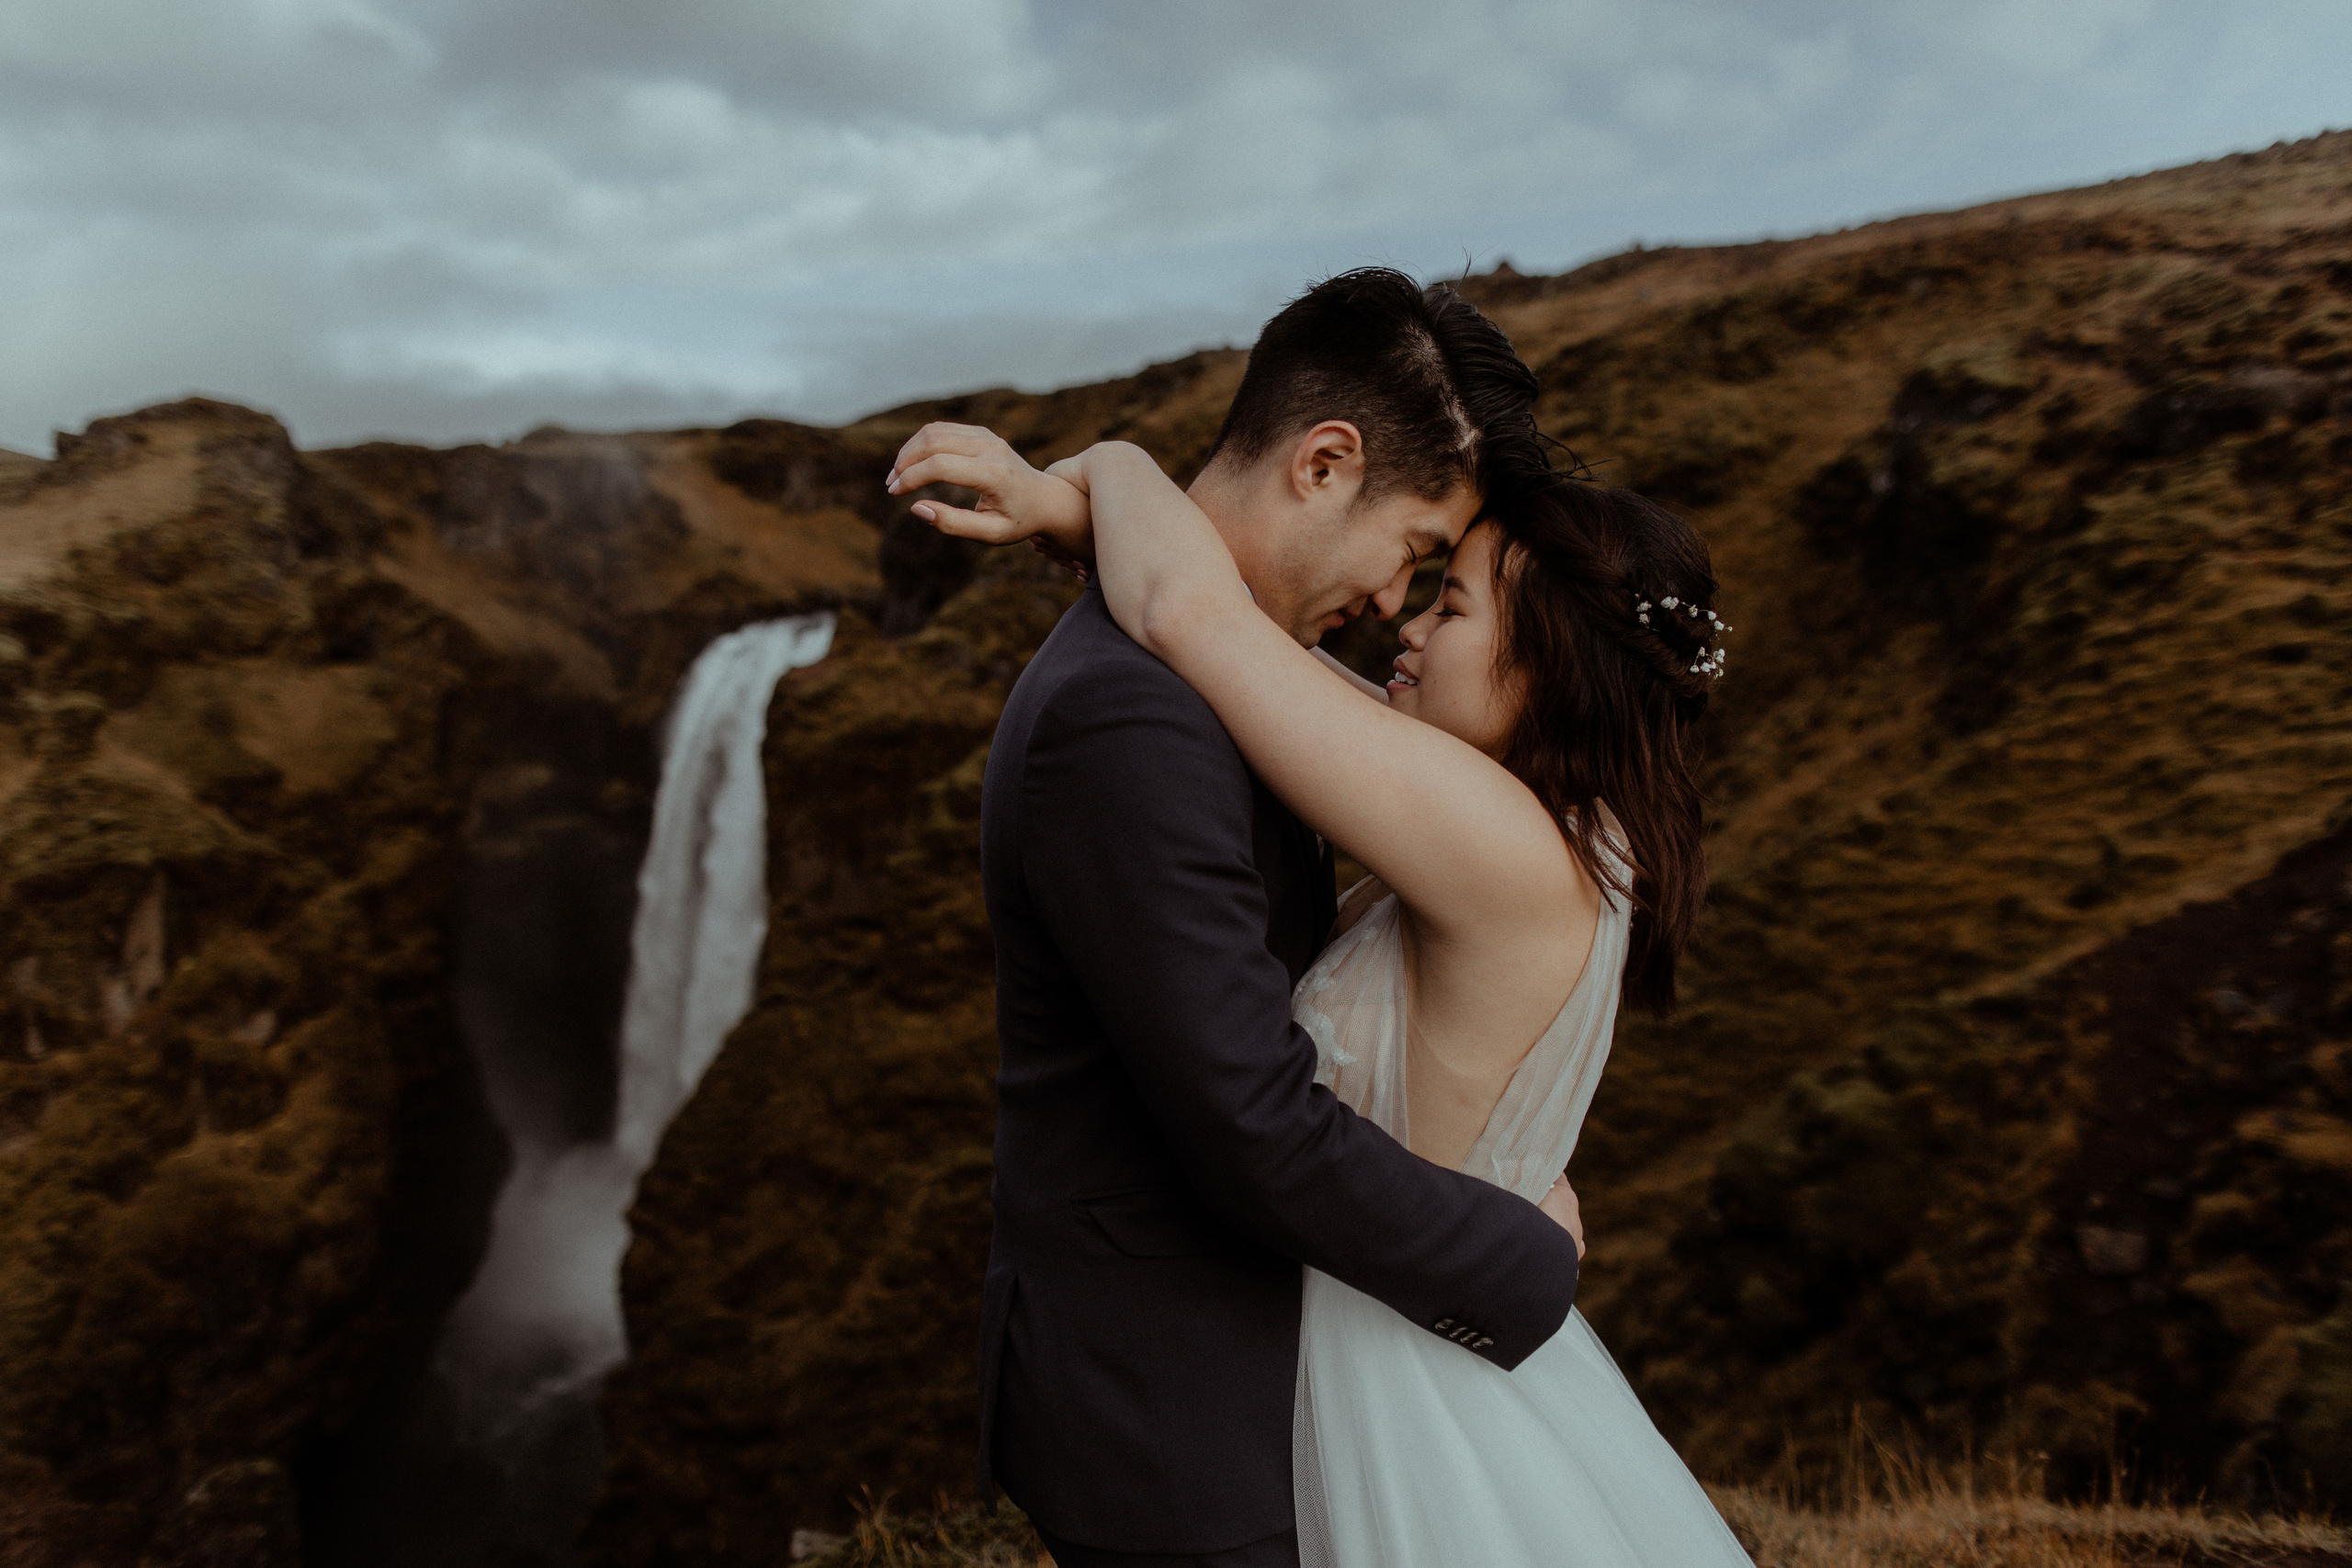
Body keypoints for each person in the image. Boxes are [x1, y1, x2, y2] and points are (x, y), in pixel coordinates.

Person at [891, 399, 1753, 1562]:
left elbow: (1197, 615)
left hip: (1376, 1364)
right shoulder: (1570, 829)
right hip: (1386, 1333)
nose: (1402, 626)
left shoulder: (1489, 833)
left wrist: (1102, 467)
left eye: (1449, 605)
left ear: (1545, 667)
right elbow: (1275, 660)